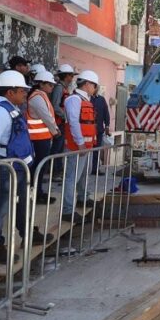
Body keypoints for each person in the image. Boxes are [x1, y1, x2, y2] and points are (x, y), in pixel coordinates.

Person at [0, 71, 52, 264]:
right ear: (10, 92)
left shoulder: (11, 107)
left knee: (22, 203)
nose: (25, 94)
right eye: (22, 91)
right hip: (2, 168)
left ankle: (27, 233)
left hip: (17, 167)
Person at [61, 70, 99, 224]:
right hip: (76, 146)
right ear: (87, 84)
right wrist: (80, 143)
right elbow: (74, 122)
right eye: (94, 85)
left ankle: (83, 198)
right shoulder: (74, 100)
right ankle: (67, 211)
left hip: (86, 146)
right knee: (72, 178)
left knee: (84, 174)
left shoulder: (85, 100)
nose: (95, 88)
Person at [27, 71, 59, 204]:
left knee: (41, 167)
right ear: (41, 84)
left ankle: (38, 192)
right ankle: (35, 193)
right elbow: (46, 116)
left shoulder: (41, 96)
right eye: (50, 84)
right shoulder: (37, 97)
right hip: (38, 138)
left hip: (43, 137)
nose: (52, 87)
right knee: (38, 167)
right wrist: (55, 131)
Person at [49, 64, 74, 174]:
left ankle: (57, 170)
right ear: (66, 76)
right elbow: (55, 106)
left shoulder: (64, 88)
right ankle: (54, 171)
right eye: (71, 75)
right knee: (57, 148)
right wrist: (66, 116)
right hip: (59, 122)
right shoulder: (59, 88)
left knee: (60, 148)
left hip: (63, 122)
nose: (72, 78)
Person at [90, 89, 110, 176]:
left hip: (98, 130)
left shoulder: (101, 99)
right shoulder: (86, 98)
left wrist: (107, 126)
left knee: (96, 150)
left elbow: (106, 113)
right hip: (88, 131)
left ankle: (94, 169)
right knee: (86, 151)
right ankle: (86, 169)